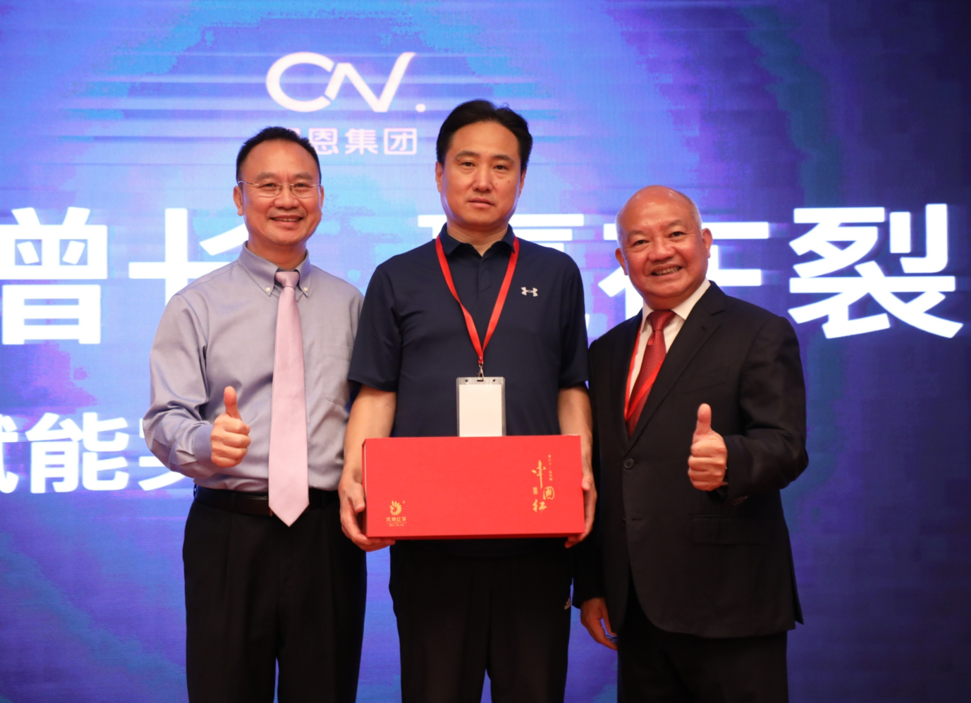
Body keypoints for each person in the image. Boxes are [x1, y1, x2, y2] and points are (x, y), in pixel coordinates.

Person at [339, 99, 596, 703]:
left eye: (501, 166)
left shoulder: (556, 274)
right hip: (431, 539)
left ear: (522, 179)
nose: (484, 181)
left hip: (535, 535)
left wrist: (582, 471)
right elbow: (377, 393)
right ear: (439, 172)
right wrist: (355, 475)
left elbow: (570, 387)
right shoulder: (397, 277)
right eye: (467, 163)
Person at [143, 127, 365, 703]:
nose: (286, 200)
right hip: (229, 532)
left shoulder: (352, 304)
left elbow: (373, 415)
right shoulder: (195, 304)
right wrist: (205, 440)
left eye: (301, 185)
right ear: (240, 198)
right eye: (268, 185)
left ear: (321, 197)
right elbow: (163, 418)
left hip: (326, 536)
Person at [576, 185, 807, 701]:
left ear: (705, 241)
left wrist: (731, 460)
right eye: (640, 242)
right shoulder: (606, 351)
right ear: (622, 260)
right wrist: (591, 584)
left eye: (675, 234)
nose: (660, 252)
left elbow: (787, 445)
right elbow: (605, 471)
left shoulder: (758, 332)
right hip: (636, 608)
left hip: (731, 602)